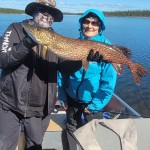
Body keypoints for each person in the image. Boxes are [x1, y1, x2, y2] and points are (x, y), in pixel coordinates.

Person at [0, 0, 86, 149]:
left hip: (41, 108)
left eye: (51, 12)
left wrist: (82, 59)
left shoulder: (55, 38)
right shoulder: (15, 29)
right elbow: (3, 60)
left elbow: (64, 68)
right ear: (34, 11)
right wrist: (27, 42)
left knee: (35, 146)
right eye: (42, 10)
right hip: (10, 104)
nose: (47, 15)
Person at [58, 9, 117, 149]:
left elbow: (108, 83)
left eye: (95, 23)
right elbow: (62, 73)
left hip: (92, 102)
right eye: (86, 21)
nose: (90, 26)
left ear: (100, 26)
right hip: (72, 98)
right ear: (81, 24)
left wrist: (94, 105)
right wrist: (62, 97)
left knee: (90, 134)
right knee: (71, 127)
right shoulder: (73, 44)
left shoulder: (106, 48)